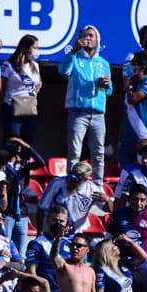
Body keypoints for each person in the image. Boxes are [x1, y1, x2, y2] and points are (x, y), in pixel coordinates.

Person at [60, 26, 112, 182]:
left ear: (97, 40)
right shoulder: (75, 58)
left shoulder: (103, 63)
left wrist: (106, 85)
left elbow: (109, 92)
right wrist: (74, 50)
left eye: (91, 35)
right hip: (78, 113)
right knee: (75, 152)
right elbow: (63, 71)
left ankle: (97, 185)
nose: (88, 38)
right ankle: (72, 185)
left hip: (98, 115)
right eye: (85, 35)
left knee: (99, 153)